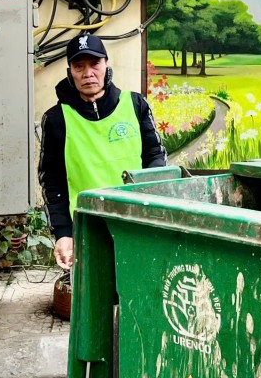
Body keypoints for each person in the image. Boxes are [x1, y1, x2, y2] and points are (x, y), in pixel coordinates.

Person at [38, 34, 167, 269]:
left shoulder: (136, 105)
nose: (88, 73)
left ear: (106, 65)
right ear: (70, 71)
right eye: (79, 66)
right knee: (95, 300)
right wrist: (63, 233)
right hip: (87, 228)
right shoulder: (57, 119)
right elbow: (52, 181)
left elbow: (156, 158)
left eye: (94, 64)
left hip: (136, 223)